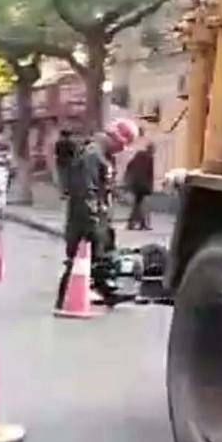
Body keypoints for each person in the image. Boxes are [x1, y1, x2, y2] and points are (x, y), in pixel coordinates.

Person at [55, 118, 139, 311]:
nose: (121, 149)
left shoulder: (104, 156)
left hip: (98, 214)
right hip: (84, 215)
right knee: (79, 257)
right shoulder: (92, 155)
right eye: (121, 144)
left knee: (102, 255)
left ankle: (106, 291)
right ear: (114, 138)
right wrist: (93, 217)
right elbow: (86, 188)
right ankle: (66, 298)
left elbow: (104, 185)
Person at [125, 141, 155, 230]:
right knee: (141, 204)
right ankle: (138, 223)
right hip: (143, 185)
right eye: (153, 149)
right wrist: (150, 187)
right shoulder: (149, 158)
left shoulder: (138, 155)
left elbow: (129, 165)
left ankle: (137, 223)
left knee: (138, 204)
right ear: (151, 149)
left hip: (135, 183)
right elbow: (150, 174)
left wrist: (129, 179)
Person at [54, 127, 76, 198]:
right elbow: (73, 153)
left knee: (61, 177)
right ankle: (68, 191)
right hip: (68, 161)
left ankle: (62, 193)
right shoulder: (71, 143)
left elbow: (56, 153)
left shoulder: (58, 143)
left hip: (60, 161)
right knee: (69, 177)